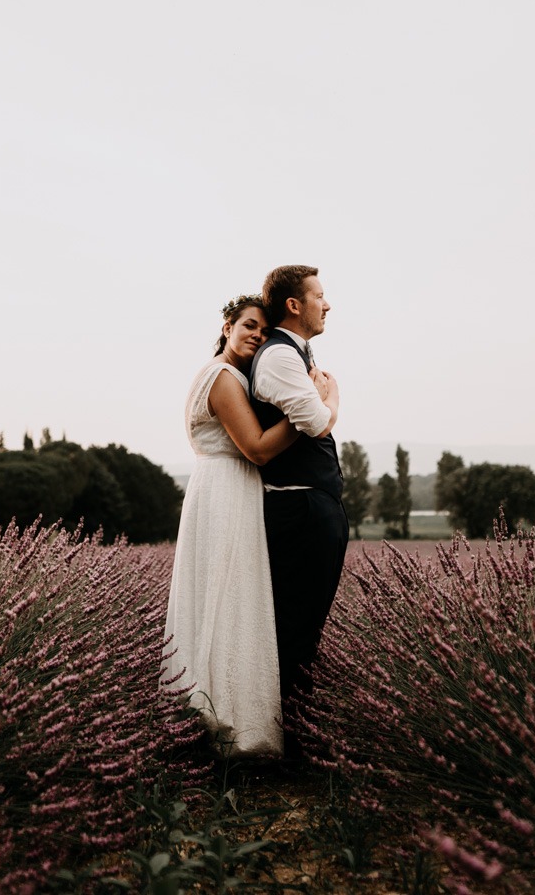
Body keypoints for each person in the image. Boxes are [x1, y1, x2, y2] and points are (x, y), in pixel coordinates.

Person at [162, 294, 314, 757]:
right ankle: (228, 726)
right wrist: (309, 410)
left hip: (223, 488)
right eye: (249, 325)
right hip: (228, 489)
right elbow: (259, 449)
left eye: (265, 332)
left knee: (224, 600)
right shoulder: (225, 378)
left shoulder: (220, 373)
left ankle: (215, 719)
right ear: (226, 326)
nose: (257, 335)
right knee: (230, 597)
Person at [248, 265, 345, 753]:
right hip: (300, 509)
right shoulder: (280, 358)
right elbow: (315, 422)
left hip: (313, 504)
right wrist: (333, 396)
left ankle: (300, 734)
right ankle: (297, 744)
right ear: (294, 304)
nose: (328, 305)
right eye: (320, 296)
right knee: (297, 629)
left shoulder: (295, 354)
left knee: (308, 625)